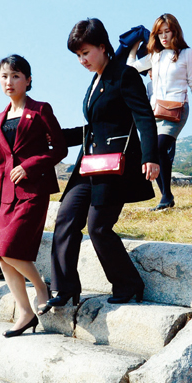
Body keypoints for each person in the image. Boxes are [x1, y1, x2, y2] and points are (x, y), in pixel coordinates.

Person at [45, 18, 160, 311]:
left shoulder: (125, 75)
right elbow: (93, 127)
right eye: (78, 55)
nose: (82, 60)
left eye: (85, 52)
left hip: (114, 166)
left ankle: (128, 283)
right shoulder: (94, 81)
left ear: (102, 46)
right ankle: (64, 288)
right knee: (66, 218)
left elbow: (144, 118)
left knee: (98, 228)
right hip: (88, 163)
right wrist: (52, 136)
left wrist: (150, 157)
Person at [0, 55, 67, 337]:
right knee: (2, 256)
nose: (9, 82)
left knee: (10, 249)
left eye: (15, 76)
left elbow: (59, 148)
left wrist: (30, 165)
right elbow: (1, 165)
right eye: (4, 76)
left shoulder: (41, 110)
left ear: (28, 80)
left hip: (34, 191)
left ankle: (42, 288)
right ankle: (25, 313)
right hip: (8, 196)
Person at [127, 13, 192, 211]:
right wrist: (134, 47)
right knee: (154, 152)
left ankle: (166, 195)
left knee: (159, 149)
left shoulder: (187, 53)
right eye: (160, 33)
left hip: (178, 110)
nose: (164, 36)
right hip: (156, 111)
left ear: (175, 31)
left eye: (167, 32)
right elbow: (130, 69)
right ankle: (166, 197)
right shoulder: (156, 55)